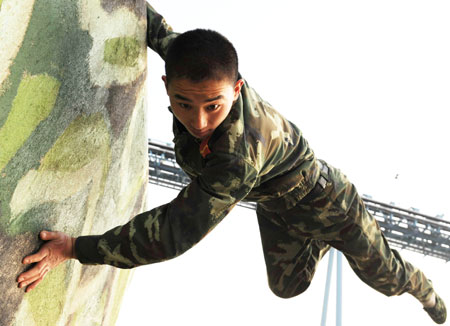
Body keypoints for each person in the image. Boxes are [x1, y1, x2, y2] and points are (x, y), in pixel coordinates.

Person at [17, 3, 446, 324]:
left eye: (213, 107)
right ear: (168, 83)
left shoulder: (236, 159)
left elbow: (173, 232)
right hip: (276, 203)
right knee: (287, 288)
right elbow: (156, 28)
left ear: (237, 89)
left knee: (385, 279)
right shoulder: (192, 66)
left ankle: (424, 290)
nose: (198, 121)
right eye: (183, 103)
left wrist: (75, 249)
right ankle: (316, 240)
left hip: (329, 202)